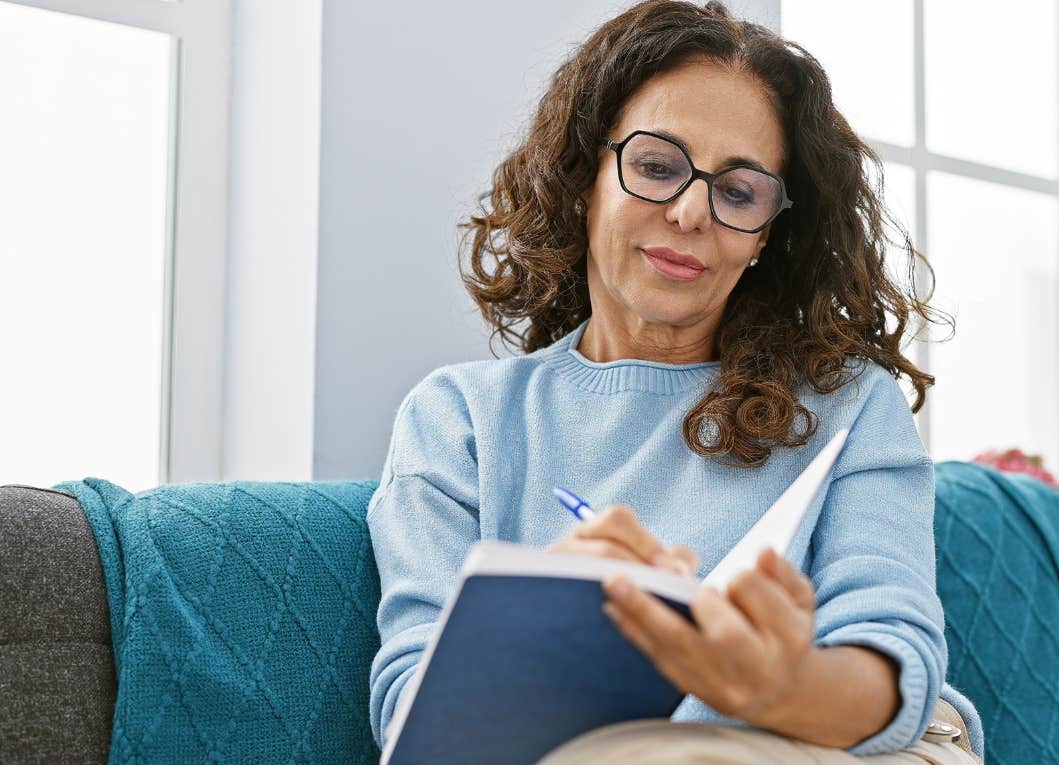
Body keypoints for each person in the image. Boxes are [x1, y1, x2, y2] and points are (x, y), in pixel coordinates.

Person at [366, 2, 983, 762]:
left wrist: (774, 683)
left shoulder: (849, 402)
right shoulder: (458, 420)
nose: (693, 211)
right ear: (584, 177)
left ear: (767, 234)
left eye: (740, 191)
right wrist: (545, 626)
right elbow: (412, 724)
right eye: (658, 167)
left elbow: (896, 670)